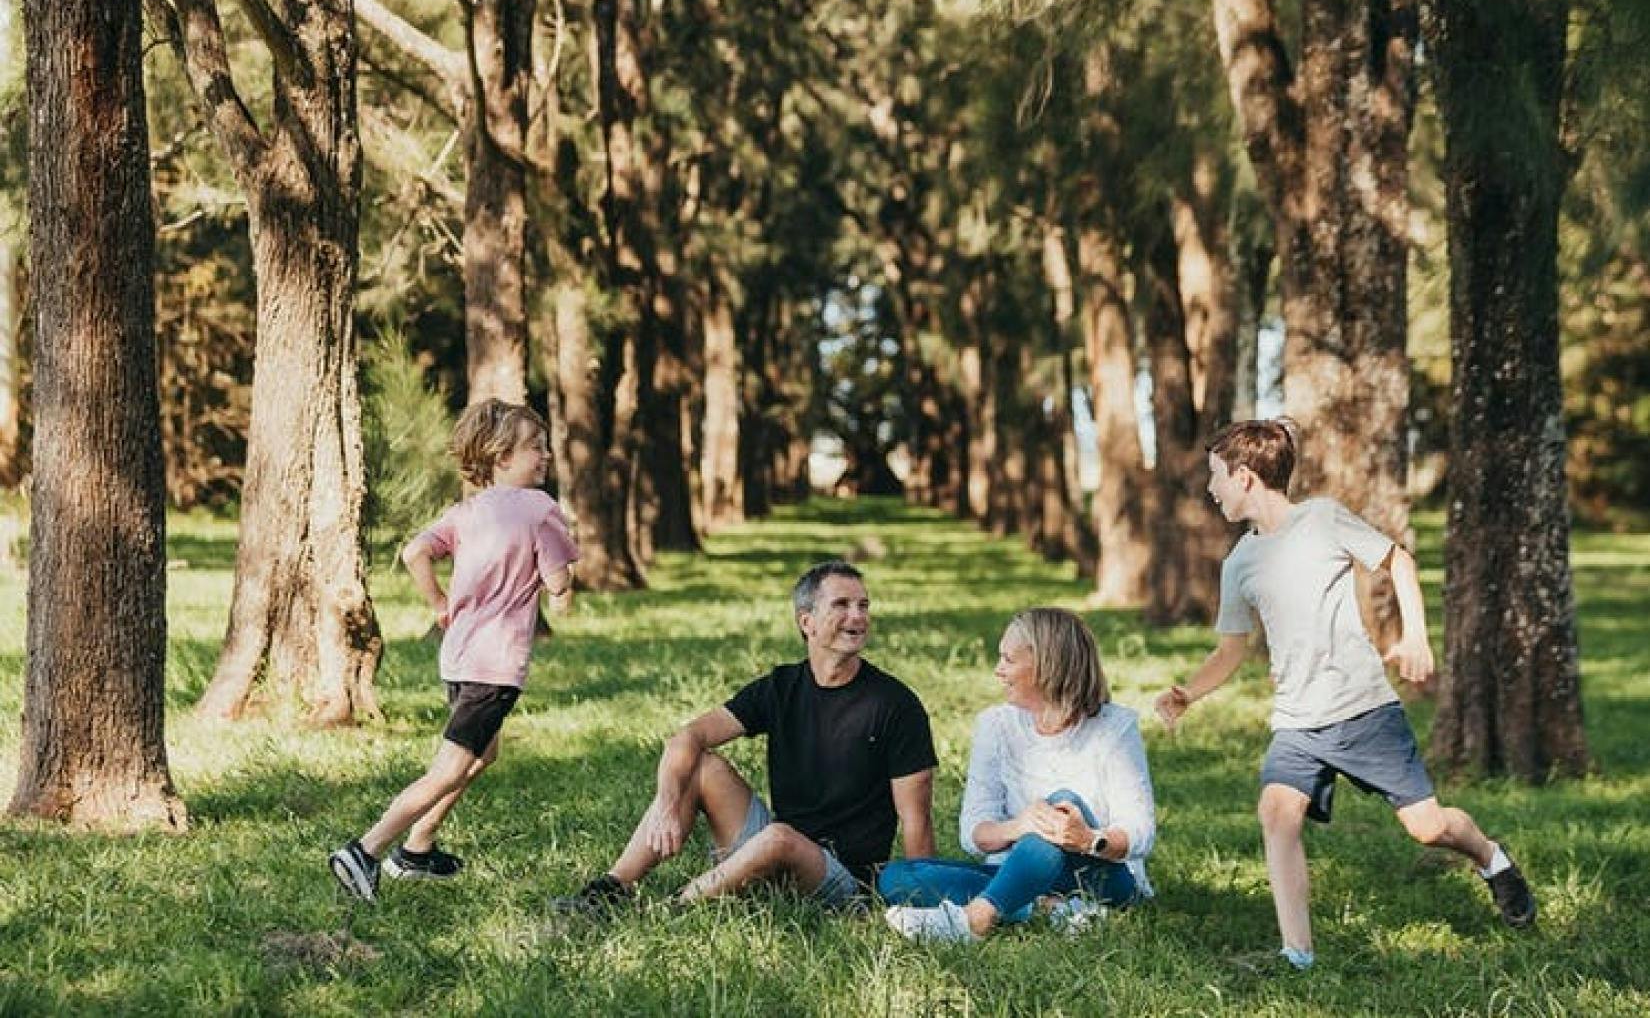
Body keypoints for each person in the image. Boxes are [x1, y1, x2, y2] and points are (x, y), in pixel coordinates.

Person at [1155, 417, 1536, 970]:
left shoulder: (1322, 520)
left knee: (1427, 828)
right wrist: (1190, 693)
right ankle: (1297, 954)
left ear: (1244, 477)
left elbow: (1398, 561)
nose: (1210, 489)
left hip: (1363, 711)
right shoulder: (1239, 562)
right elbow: (1231, 648)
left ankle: (1491, 858)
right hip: (1297, 721)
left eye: (1215, 476)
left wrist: (1414, 636)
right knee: (1276, 813)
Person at [552, 560, 937, 912]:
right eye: (842, 605)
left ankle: (670, 911)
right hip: (775, 852)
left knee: (779, 838)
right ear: (808, 623)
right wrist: (668, 803)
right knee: (701, 766)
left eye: (864, 606)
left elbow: (916, 820)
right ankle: (609, 890)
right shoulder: (781, 686)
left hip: (845, 883)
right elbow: (688, 736)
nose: (858, 616)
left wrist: (923, 908)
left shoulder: (895, 705)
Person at [329, 399, 578, 902]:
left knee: (484, 753)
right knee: (449, 769)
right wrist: (565, 567)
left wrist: (440, 603)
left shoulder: (466, 511)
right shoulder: (539, 508)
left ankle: (417, 848)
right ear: (500, 457)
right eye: (535, 447)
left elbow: (414, 552)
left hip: (460, 657)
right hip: (495, 667)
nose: (546, 455)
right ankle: (366, 850)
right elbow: (558, 587)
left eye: (546, 446)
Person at [880, 607, 1155, 942]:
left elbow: (1140, 833)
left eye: (1008, 660)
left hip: (1099, 875)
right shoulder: (995, 725)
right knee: (896, 877)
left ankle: (977, 919)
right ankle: (1050, 908)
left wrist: (1087, 839)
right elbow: (973, 833)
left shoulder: (1116, 726)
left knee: (1061, 804)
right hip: (1014, 871)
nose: (998, 671)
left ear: (1046, 666)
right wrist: (1020, 826)